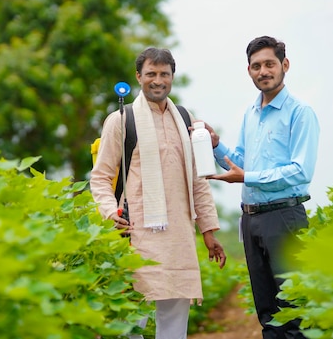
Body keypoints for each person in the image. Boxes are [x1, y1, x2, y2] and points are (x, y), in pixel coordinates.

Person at [90, 47, 227, 339]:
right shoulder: (121, 120)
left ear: (172, 77)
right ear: (138, 77)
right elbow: (100, 178)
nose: (158, 80)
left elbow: (197, 179)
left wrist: (208, 230)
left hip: (178, 235)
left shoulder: (184, 117)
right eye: (151, 73)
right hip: (135, 234)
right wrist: (108, 212)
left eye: (164, 74)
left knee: (175, 320)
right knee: (129, 322)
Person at [205, 36, 319, 339]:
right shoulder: (250, 113)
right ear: (249, 71)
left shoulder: (300, 112)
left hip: (284, 218)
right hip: (252, 220)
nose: (263, 71)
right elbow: (242, 160)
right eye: (256, 66)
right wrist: (216, 145)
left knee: (294, 309)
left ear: (285, 65)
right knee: (267, 313)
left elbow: (300, 171)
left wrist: (247, 177)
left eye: (269, 64)